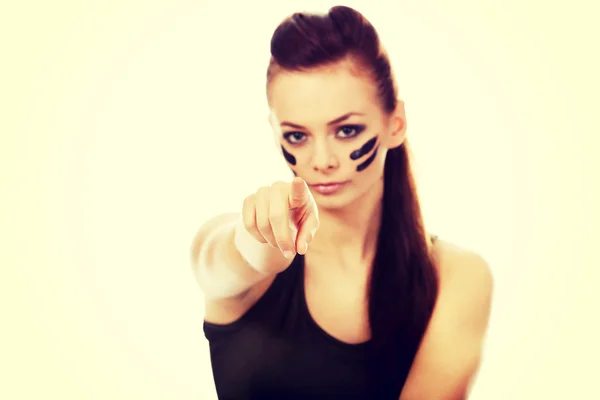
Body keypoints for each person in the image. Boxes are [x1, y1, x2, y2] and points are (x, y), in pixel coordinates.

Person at [190, 6, 493, 400]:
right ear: (275, 131)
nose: (322, 160)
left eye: (346, 130)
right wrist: (258, 243)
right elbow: (220, 262)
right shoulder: (238, 239)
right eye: (297, 136)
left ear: (395, 123)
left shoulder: (455, 276)